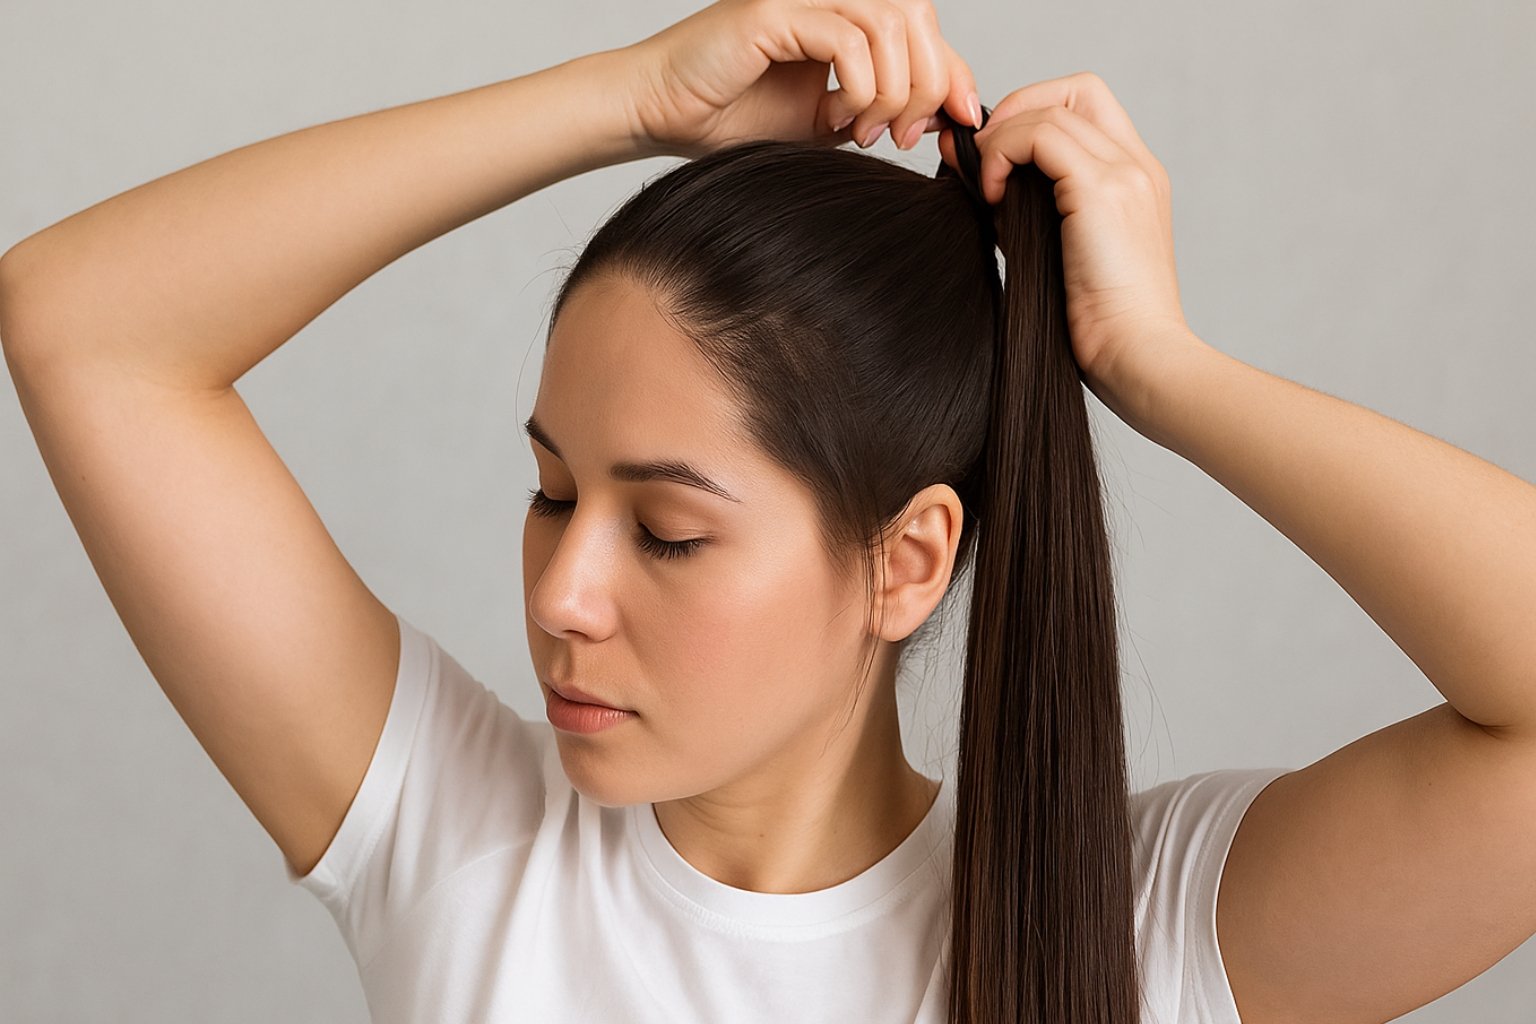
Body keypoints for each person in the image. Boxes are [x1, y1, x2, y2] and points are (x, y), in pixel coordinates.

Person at [5, 1, 1535, 1022]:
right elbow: (86, 325)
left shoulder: (1135, 934)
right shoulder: (461, 840)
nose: (561, 593)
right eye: (549, 494)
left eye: (667, 530)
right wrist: (628, 101)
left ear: (907, 561)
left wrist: (1161, 367)